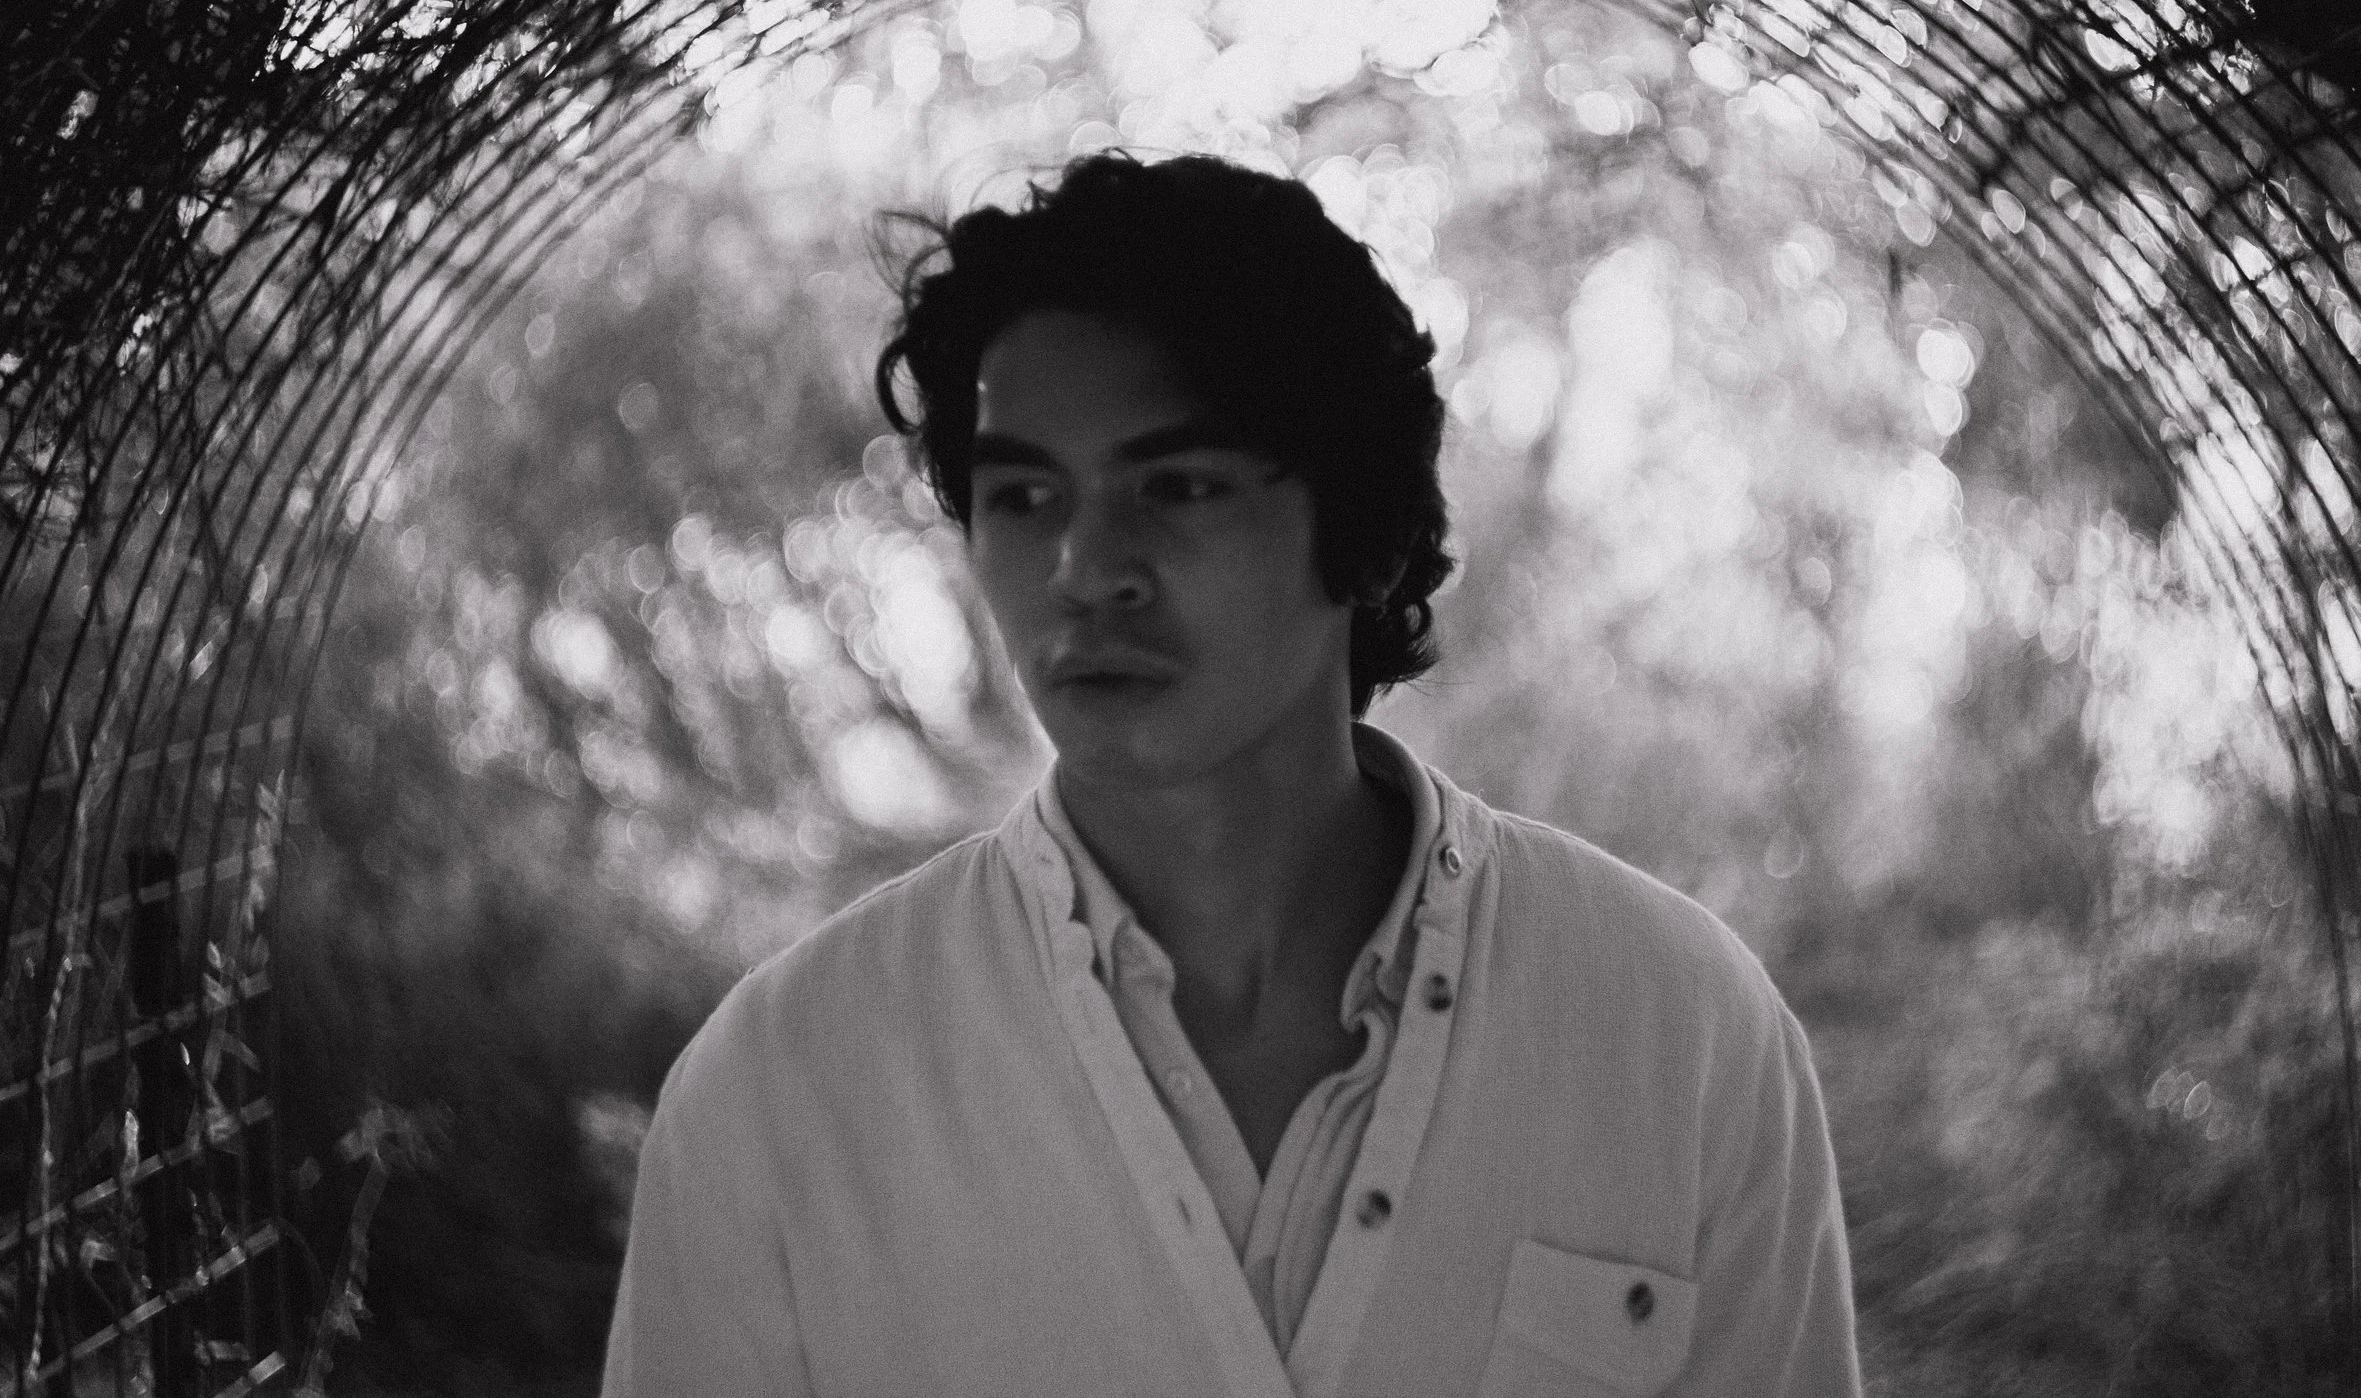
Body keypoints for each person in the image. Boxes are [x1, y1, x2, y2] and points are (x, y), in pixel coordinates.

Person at [602, 153, 1861, 1396]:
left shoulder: (1676, 1025)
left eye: (1180, 485)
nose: (1086, 566)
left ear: (1360, 525)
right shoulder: (783, 1090)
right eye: (1025, 494)